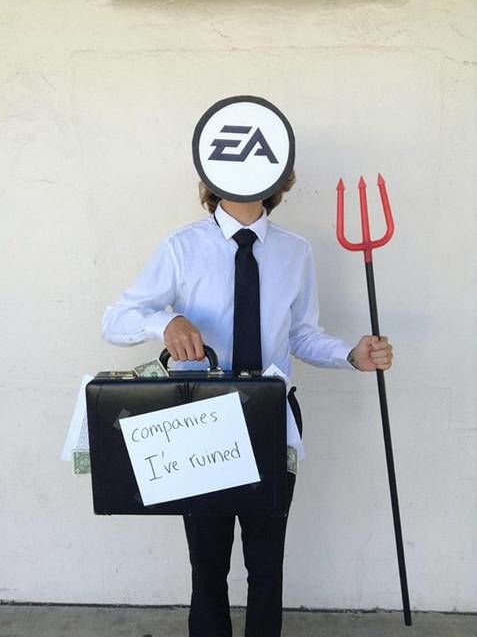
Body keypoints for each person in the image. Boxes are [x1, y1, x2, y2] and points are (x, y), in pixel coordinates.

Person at [101, 169, 393, 637]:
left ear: (278, 176)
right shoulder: (182, 248)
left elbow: (302, 334)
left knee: (267, 562)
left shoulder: (295, 252)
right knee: (207, 563)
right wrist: (165, 322)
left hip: (271, 417)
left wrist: (350, 355)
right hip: (201, 421)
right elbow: (115, 320)